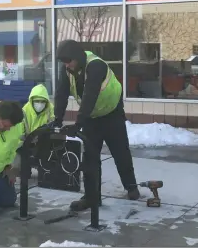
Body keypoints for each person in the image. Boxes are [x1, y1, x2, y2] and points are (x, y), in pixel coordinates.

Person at [51, 39, 140, 212]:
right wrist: (57, 119)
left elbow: (90, 95)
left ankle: (131, 187)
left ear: (77, 57)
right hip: (92, 117)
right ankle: (92, 198)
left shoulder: (96, 66)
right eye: (64, 62)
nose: (66, 65)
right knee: (90, 158)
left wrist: (78, 123)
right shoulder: (68, 69)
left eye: (68, 61)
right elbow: (61, 93)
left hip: (112, 113)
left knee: (120, 152)